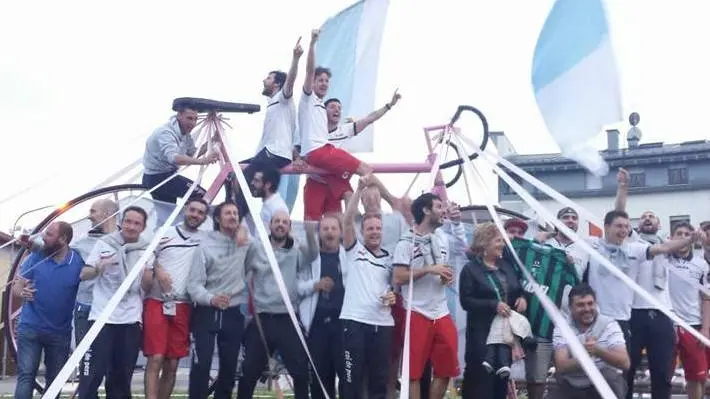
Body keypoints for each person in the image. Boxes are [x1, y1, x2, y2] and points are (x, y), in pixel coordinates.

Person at [187, 201, 267, 399]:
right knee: (201, 366)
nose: (232, 216)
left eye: (235, 213)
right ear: (217, 218)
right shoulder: (204, 245)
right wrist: (211, 298)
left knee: (229, 368)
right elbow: (193, 285)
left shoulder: (246, 243)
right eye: (228, 213)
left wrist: (245, 234)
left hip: (233, 312)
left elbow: (261, 259)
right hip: (206, 312)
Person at [236, 210, 318, 399]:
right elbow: (242, 269)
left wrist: (310, 234)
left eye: (285, 222)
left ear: (289, 227)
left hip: (287, 319)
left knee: (300, 372)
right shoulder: (257, 248)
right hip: (262, 319)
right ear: (270, 225)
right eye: (277, 221)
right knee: (248, 371)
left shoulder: (295, 251)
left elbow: (313, 255)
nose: (280, 224)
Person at [297, 28, 375, 221]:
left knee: (331, 221)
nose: (324, 83)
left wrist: (388, 107)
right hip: (320, 152)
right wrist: (313, 43)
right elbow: (308, 71)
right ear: (312, 83)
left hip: (322, 163)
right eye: (320, 80)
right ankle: (371, 217)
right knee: (366, 170)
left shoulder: (322, 113)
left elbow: (365, 121)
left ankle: (352, 224)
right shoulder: (308, 99)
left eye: (326, 81)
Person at [612, 168, 676, 399]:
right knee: (626, 369)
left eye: (652, 216)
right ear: (637, 225)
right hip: (634, 313)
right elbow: (619, 213)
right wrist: (623, 188)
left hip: (662, 314)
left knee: (662, 372)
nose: (647, 218)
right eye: (644, 216)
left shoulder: (669, 247)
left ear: (659, 225)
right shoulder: (632, 242)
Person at [77, 206, 150, 399]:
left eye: (137, 223)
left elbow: (148, 287)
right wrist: (100, 266)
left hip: (130, 320)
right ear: (121, 222)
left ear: (143, 227)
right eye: (128, 221)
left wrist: (151, 273)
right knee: (92, 375)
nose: (131, 227)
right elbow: (84, 274)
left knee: (121, 378)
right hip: (102, 318)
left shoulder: (147, 249)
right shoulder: (104, 243)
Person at [391, 193, 459, 399]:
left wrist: (446, 277)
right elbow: (399, 276)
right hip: (416, 311)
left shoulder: (442, 239)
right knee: (413, 374)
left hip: (441, 311)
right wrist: (429, 270)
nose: (443, 211)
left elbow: (445, 268)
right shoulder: (405, 242)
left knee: (447, 369)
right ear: (426, 210)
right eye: (438, 207)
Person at [140, 197, 209, 399]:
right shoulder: (165, 233)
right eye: (193, 210)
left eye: (200, 213)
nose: (195, 215)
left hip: (184, 305)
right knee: (156, 358)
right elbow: (146, 257)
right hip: (157, 301)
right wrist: (158, 270)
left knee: (172, 363)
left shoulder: (205, 239)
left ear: (205, 217)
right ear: (185, 209)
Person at [227, 38, 304, 205]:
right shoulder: (273, 103)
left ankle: (238, 212)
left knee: (243, 177)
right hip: (267, 152)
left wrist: (296, 58)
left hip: (276, 153)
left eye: (268, 78)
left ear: (277, 84)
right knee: (231, 171)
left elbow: (290, 81)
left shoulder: (283, 98)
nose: (264, 80)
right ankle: (231, 208)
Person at [13, 222, 84, 399]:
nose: (44, 238)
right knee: (26, 377)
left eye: (49, 234)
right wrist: (23, 292)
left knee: (55, 381)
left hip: (60, 332)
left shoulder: (77, 261)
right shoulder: (36, 256)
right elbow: (16, 287)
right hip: (30, 328)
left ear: (63, 239)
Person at [340, 177, 396, 399]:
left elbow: (394, 287)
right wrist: (358, 190)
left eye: (378, 229)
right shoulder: (355, 251)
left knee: (379, 382)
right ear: (362, 231)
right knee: (351, 382)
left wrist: (392, 295)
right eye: (370, 228)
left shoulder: (389, 258)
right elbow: (346, 222)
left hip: (382, 325)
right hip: (355, 323)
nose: (374, 232)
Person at [458, 222, 525, 399]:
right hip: (482, 335)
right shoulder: (470, 269)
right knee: (481, 381)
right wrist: (492, 305)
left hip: (505, 334)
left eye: (502, 240)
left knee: (500, 381)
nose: (502, 244)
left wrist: (522, 297)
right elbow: (466, 301)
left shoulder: (506, 265)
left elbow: (517, 287)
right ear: (485, 243)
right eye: (498, 240)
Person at [297, 212, 347, 399]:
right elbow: (295, 288)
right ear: (319, 233)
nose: (329, 232)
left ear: (341, 233)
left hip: (343, 325)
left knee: (346, 376)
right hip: (317, 326)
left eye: (334, 228)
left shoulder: (348, 257)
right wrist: (315, 285)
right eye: (325, 228)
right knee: (319, 378)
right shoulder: (309, 257)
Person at [549, 283, 630, 399]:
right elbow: (561, 365)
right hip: (573, 382)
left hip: (603, 379)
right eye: (580, 305)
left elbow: (625, 363)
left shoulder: (609, 325)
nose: (587, 309)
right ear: (571, 308)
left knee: (612, 379)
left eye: (590, 304)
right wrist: (585, 355)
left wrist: (598, 351)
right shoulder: (562, 328)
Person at [666, 221, 710, 399]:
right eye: (679, 234)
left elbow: (706, 298)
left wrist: (705, 330)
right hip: (667, 324)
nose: (683, 237)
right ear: (672, 237)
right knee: (664, 374)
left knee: (697, 377)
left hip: (693, 325)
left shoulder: (701, 264)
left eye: (687, 234)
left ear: (692, 239)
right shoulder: (662, 258)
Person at [142, 104, 217, 203]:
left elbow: (193, 154)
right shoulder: (166, 133)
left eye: (195, 119)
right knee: (202, 196)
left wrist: (213, 140)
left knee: (167, 213)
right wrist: (202, 161)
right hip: (158, 178)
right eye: (189, 118)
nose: (193, 123)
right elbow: (175, 158)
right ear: (179, 115)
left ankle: (183, 217)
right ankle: (191, 217)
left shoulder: (185, 134)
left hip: (165, 176)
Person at [72, 199, 119, 348]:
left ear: (108, 214)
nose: (89, 216)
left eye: (93, 211)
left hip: (115, 311)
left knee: (112, 361)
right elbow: (57, 251)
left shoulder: (127, 241)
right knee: (87, 360)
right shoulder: (81, 244)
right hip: (87, 307)